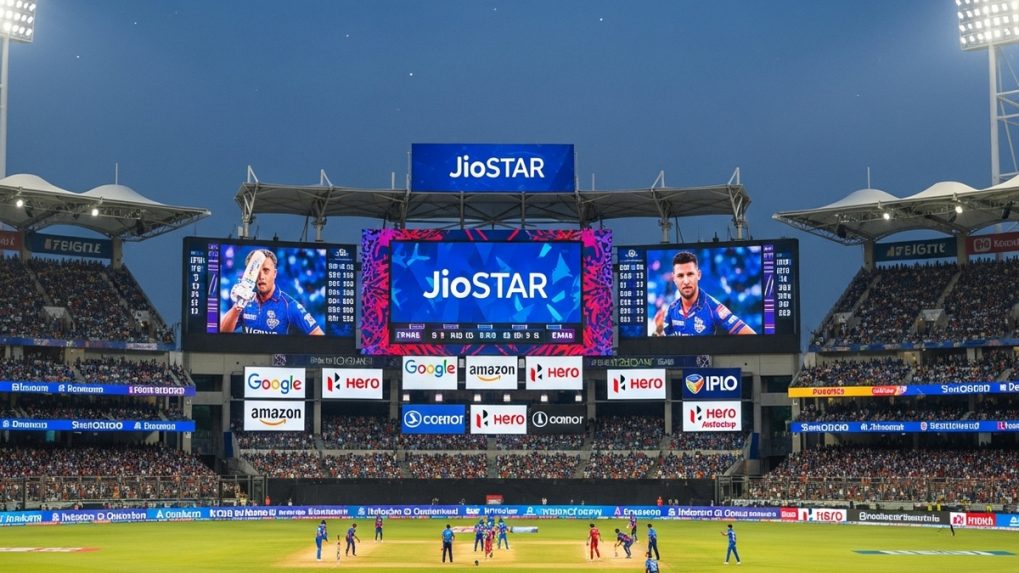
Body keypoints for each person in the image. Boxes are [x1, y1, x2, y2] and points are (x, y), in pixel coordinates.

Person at [219, 248, 325, 335]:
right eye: (257, 272)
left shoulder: (289, 305)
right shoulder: (244, 302)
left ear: (274, 274)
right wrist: (238, 305)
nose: (261, 276)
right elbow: (221, 332)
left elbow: (318, 334)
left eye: (266, 271)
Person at [653, 251, 756, 336]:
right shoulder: (670, 310)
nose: (686, 281)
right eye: (680, 276)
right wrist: (658, 331)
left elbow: (751, 336)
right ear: (674, 278)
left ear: (698, 275)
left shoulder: (713, 307)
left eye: (690, 274)